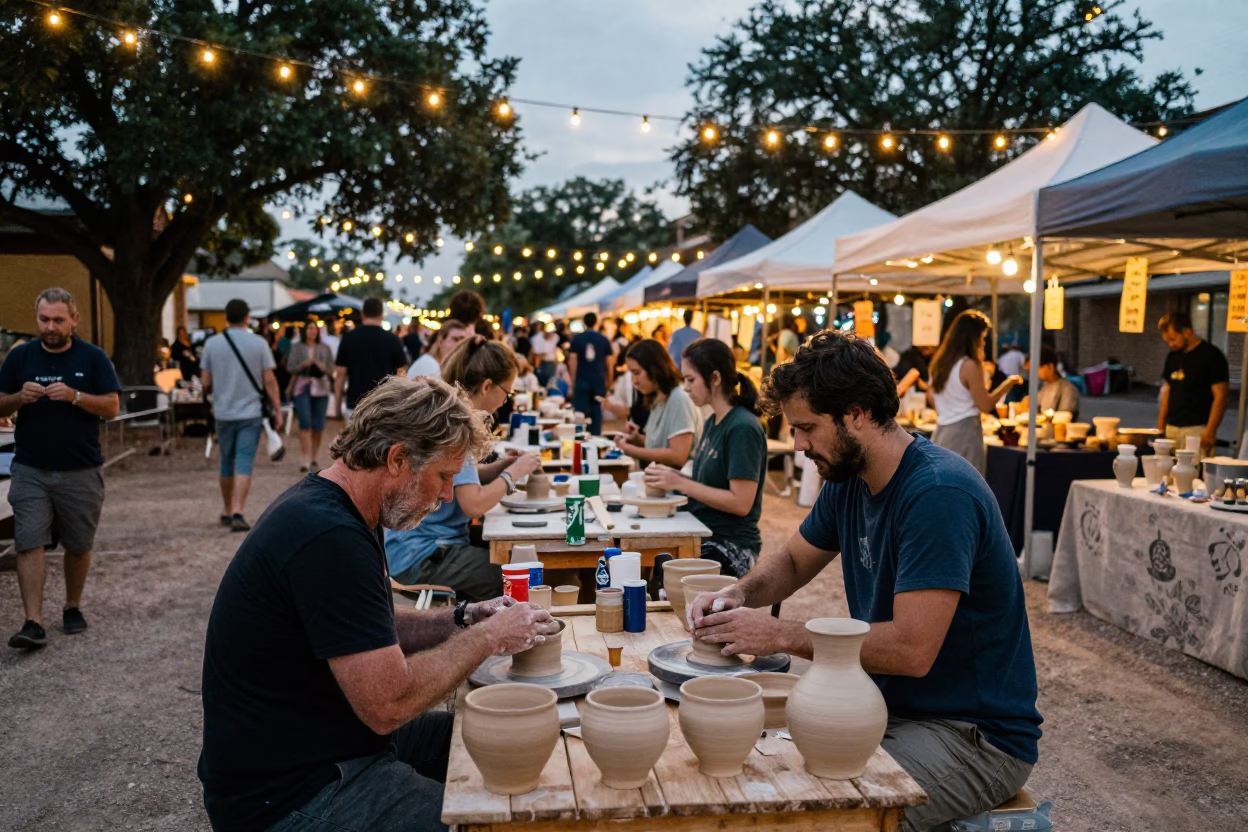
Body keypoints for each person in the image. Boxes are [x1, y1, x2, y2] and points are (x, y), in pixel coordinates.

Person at [687, 331, 1042, 830]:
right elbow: (791, 563)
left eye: (808, 428)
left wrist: (780, 634)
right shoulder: (849, 476)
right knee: (756, 775)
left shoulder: (938, 494)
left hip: (973, 734)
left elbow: (912, 650)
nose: (800, 444)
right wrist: (736, 593)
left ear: (855, 414)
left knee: (821, 815)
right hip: (888, 709)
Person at [197, 376, 558, 831]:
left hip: (328, 744)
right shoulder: (327, 535)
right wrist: (486, 638)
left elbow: (371, 627)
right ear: (398, 459)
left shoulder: (346, 508)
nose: (448, 495)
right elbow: (388, 703)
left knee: (502, 736)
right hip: (290, 794)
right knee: (483, 823)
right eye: (444, 476)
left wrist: (462, 618)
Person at [0, 288, 121, 650]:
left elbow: (113, 407)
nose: (50, 327)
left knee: (79, 545)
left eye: (57, 320)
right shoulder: (20, 357)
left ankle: (72, 605)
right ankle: (33, 622)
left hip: (80, 468)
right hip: (30, 468)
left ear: (74, 320)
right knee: (29, 542)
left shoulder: (93, 357)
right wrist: (19, 398)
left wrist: (76, 397)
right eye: (44, 319)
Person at [385, 337, 542, 600]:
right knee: (516, 581)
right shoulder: (457, 423)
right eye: (507, 392)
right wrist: (514, 473)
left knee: (517, 551)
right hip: (420, 556)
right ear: (487, 385)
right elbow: (473, 505)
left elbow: (459, 480)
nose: (506, 400)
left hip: (410, 548)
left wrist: (500, 467)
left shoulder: (449, 411)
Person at [645, 338, 766, 578]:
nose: (686, 387)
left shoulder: (742, 427)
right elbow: (704, 485)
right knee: (645, 563)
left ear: (715, 378)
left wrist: (680, 483)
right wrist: (671, 477)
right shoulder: (713, 421)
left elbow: (740, 503)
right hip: (702, 530)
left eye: (690, 379)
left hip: (731, 544)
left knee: (664, 579)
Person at [201, 299, 285, 532]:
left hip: (223, 412)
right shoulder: (259, 343)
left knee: (226, 462)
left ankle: (228, 510)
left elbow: (205, 382)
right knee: (245, 460)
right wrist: (278, 410)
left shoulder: (212, 344)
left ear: (226, 317)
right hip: (250, 413)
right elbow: (270, 381)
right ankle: (238, 511)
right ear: (247, 317)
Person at [928, 310, 1021, 474]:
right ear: (973, 337)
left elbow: (931, 397)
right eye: (983, 337)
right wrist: (1008, 384)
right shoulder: (969, 365)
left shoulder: (941, 363)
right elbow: (985, 405)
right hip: (965, 433)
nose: (983, 342)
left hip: (942, 431)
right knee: (968, 487)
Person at [614, 339, 700, 469]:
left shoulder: (679, 398)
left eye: (637, 373)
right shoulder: (659, 397)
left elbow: (678, 456)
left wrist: (629, 449)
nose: (634, 381)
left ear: (654, 370)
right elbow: (661, 445)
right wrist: (637, 439)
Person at [1157, 310, 1229, 458]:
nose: (1171, 345)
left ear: (1187, 332)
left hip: (1197, 429)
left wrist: (1210, 431)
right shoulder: (1172, 357)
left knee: (1194, 475)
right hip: (1172, 427)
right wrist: (1161, 426)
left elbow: (1221, 396)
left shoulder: (1212, 355)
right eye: (1167, 341)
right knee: (1168, 474)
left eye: (1173, 339)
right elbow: (1167, 391)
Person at [334, 297, 408, 422]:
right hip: (383, 406)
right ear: (382, 315)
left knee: (354, 441)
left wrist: (337, 407)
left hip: (355, 404)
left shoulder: (349, 338)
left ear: (362, 314)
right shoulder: (392, 340)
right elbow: (401, 374)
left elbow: (340, 375)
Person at [287, 324, 336, 473]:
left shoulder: (324, 348)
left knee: (318, 425)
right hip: (302, 386)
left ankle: (314, 455)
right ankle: (305, 457)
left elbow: (331, 369)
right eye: (309, 328)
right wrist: (303, 364)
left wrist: (321, 367)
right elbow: (290, 366)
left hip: (321, 386)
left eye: (315, 329)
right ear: (304, 331)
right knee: (305, 422)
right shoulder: (297, 347)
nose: (312, 331)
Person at [567, 312, 614, 435]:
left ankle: (579, 438)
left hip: (582, 379)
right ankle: (595, 439)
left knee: (579, 414)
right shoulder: (604, 339)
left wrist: (573, 381)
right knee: (596, 412)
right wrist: (609, 382)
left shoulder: (577, 339)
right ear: (596, 322)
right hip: (598, 380)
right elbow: (609, 363)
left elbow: (573, 362)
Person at [1021, 348, 1080, 418]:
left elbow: (1064, 418)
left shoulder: (1068, 390)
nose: (1034, 372)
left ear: (1050, 366)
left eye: (1037, 368)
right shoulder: (1044, 387)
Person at [529, 322, 559, 386]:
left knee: (551, 381)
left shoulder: (555, 337)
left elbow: (554, 351)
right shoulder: (537, 338)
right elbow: (534, 352)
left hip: (550, 363)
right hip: (541, 363)